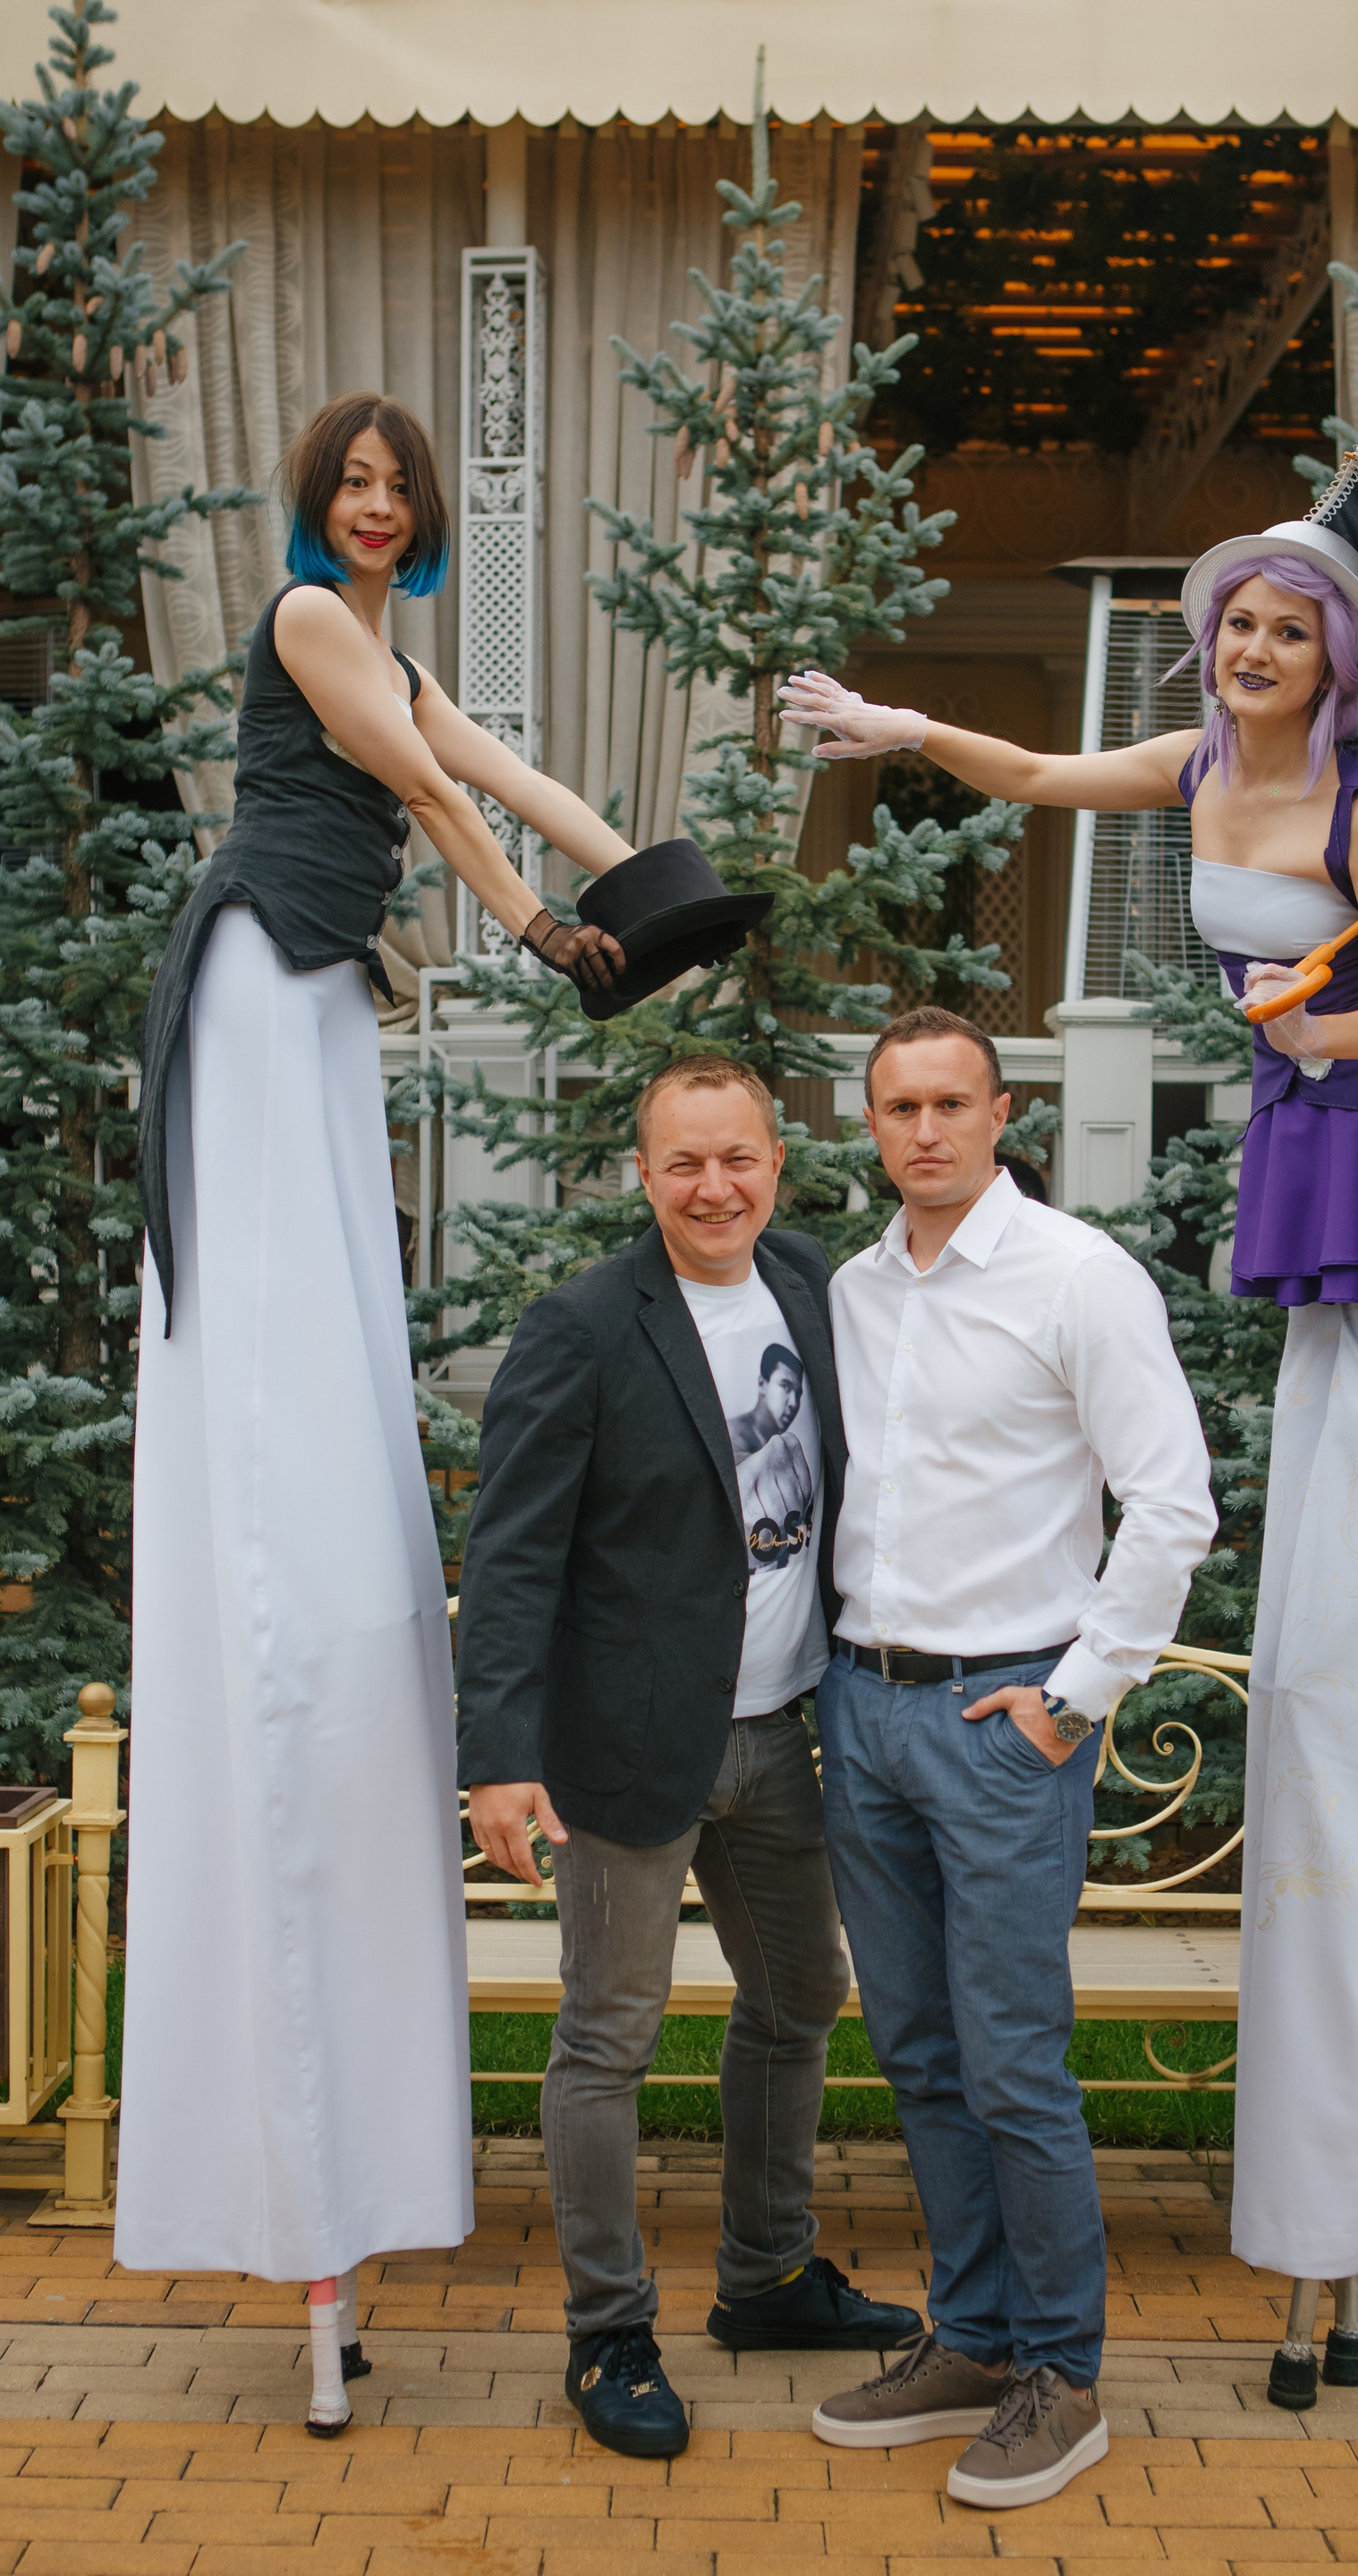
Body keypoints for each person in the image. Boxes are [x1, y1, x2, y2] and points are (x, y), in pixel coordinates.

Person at [780, 527, 1358, 2408]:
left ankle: (1088, 2344)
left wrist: (1304, 1022)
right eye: (1235, 621)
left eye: (1284, 630)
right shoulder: (1196, 767)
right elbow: (1030, 771)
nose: (1250, 647)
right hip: (1309, 1118)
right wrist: (901, 725)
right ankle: (1017, 2328)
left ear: (1336, 661)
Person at [123, 392, 633, 2439]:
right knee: (282, 1318)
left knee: (343, 1290)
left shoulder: (393, 643)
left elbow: (500, 762)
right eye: (352, 479)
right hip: (260, 981)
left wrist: (645, 878)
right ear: (316, 500)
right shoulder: (310, 625)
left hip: (332, 1000)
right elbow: (427, 788)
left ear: (417, 519)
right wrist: (541, 929)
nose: (372, 503)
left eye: (394, 489)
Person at [453, 1056, 921, 2462]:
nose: (714, 1188)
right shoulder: (584, 1326)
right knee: (609, 2035)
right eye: (684, 1164)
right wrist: (498, 1757)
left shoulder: (813, 1286)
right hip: (628, 1745)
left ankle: (767, 2278)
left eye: (738, 1159)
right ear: (642, 1174)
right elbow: (513, 1554)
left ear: (779, 1161)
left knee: (801, 1998)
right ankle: (608, 2331)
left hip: (783, 1732)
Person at [803, 1005, 1216, 2511]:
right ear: (870, 1125)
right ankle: (972, 2338)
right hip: (865, 1707)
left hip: (1002, 1725)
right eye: (898, 1107)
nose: (925, 1131)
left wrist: (1076, 1695)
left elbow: (1172, 1503)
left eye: (952, 1104)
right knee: (918, 2052)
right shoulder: (853, 1289)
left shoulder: (1077, 1278)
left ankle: (1062, 2373)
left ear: (1001, 1116)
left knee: (1013, 2062)